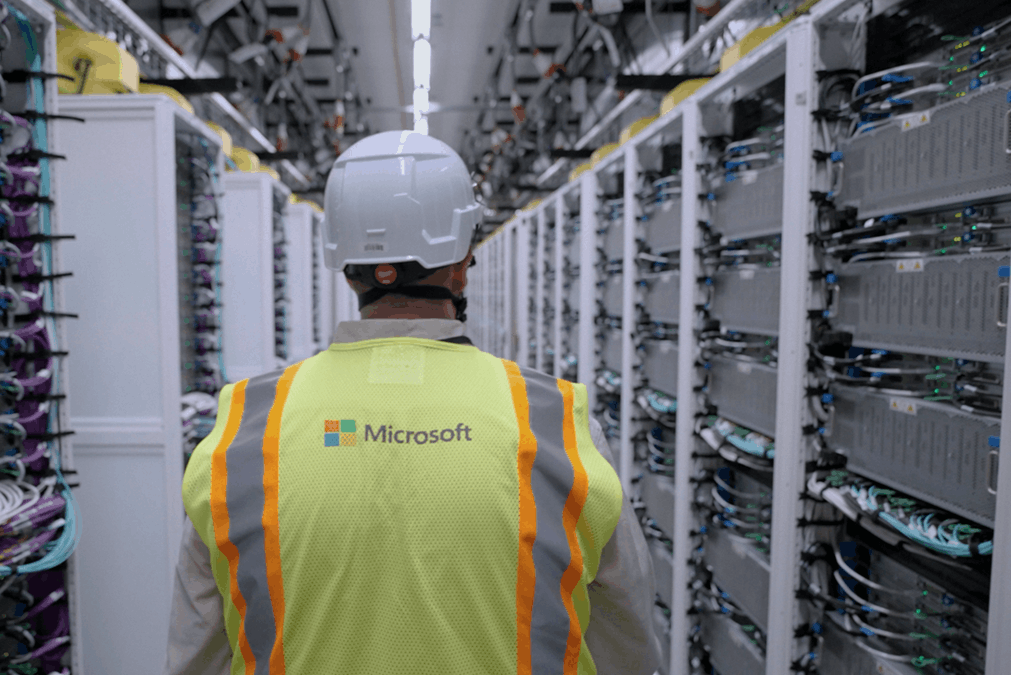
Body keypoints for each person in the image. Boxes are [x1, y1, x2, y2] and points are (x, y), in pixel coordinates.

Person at [166, 130, 662, 675]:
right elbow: (629, 642)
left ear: (344, 264)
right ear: (463, 259)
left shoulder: (242, 432)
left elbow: (195, 654)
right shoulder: (555, 423)